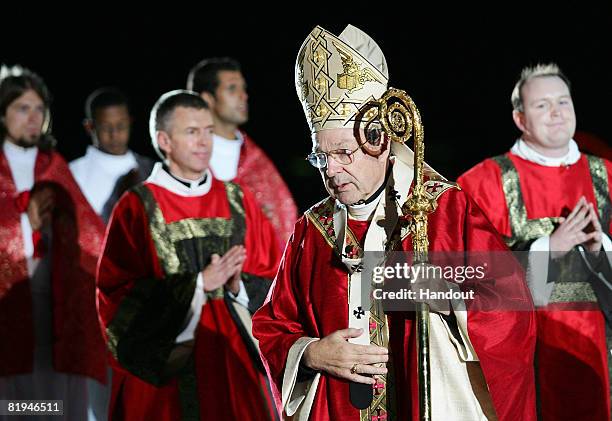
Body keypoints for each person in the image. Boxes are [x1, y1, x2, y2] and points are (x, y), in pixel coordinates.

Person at [252, 25, 537, 421]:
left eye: (343, 153)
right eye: (321, 157)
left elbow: (511, 306)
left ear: (381, 141)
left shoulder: (441, 211)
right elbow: (272, 324)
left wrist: (442, 292)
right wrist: (312, 353)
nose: (331, 170)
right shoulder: (311, 230)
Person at [97, 90, 282, 420]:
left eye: (209, 131)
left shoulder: (237, 200)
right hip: (166, 370)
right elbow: (116, 295)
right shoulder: (137, 206)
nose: (204, 142)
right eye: (191, 132)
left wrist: (240, 286)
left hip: (231, 360)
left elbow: (273, 278)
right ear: (164, 140)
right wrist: (197, 285)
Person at [458, 63, 612, 421]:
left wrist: (600, 250)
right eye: (542, 105)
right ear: (520, 119)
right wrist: (547, 251)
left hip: (599, 350)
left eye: (563, 102)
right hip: (524, 353)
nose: (556, 113)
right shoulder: (483, 182)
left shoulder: (606, 174)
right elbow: (464, 276)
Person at [0, 65, 107, 420]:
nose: (34, 118)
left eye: (39, 109)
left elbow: (91, 236)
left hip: (59, 307)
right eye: (22, 108)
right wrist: (21, 225)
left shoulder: (54, 166)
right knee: (15, 405)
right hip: (9, 305)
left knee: (58, 403)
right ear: (3, 114)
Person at [187, 57, 297, 250]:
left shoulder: (257, 161)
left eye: (243, 88)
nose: (243, 96)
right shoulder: (188, 158)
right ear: (207, 99)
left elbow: (285, 221)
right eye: (232, 89)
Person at [70, 87, 154, 223]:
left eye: (121, 126)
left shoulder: (150, 169)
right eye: (105, 127)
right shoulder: (73, 174)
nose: (114, 134)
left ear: (130, 122)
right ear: (90, 127)